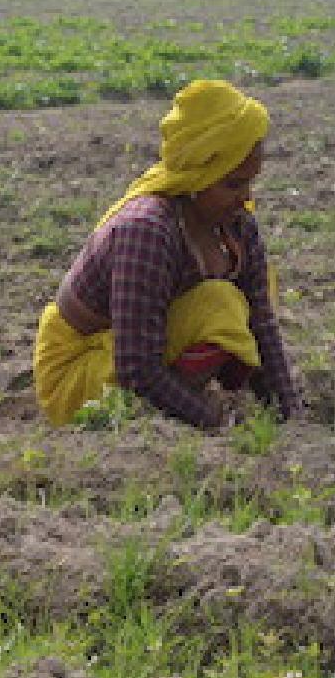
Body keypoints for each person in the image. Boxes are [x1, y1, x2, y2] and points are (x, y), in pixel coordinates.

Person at [34, 80, 303, 429]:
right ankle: (159, 416)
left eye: (250, 182)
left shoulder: (234, 225)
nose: (245, 197)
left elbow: (262, 323)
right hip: (82, 371)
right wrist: (213, 422)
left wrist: (291, 415)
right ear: (198, 175)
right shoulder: (146, 232)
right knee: (219, 307)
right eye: (233, 184)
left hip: (138, 356)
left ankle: (181, 405)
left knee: (233, 305)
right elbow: (137, 367)